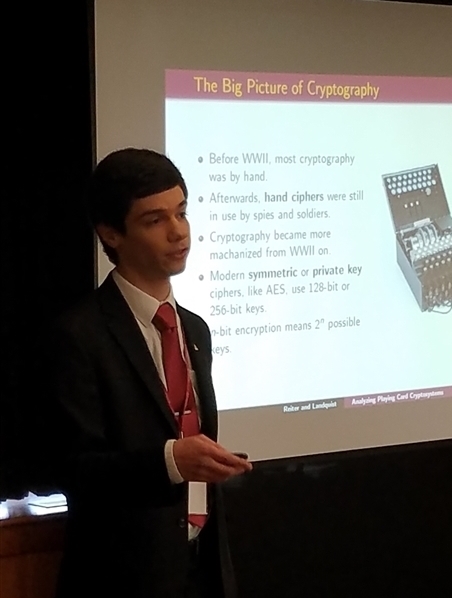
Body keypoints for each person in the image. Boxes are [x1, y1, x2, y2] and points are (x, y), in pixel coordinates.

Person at [48, 148, 252, 598]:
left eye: (181, 212)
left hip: (201, 567)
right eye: (154, 220)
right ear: (111, 234)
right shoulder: (78, 335)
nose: (179, 232)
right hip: (122, 577)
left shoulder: (194, 329)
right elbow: (72, 469)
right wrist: (169, 461)